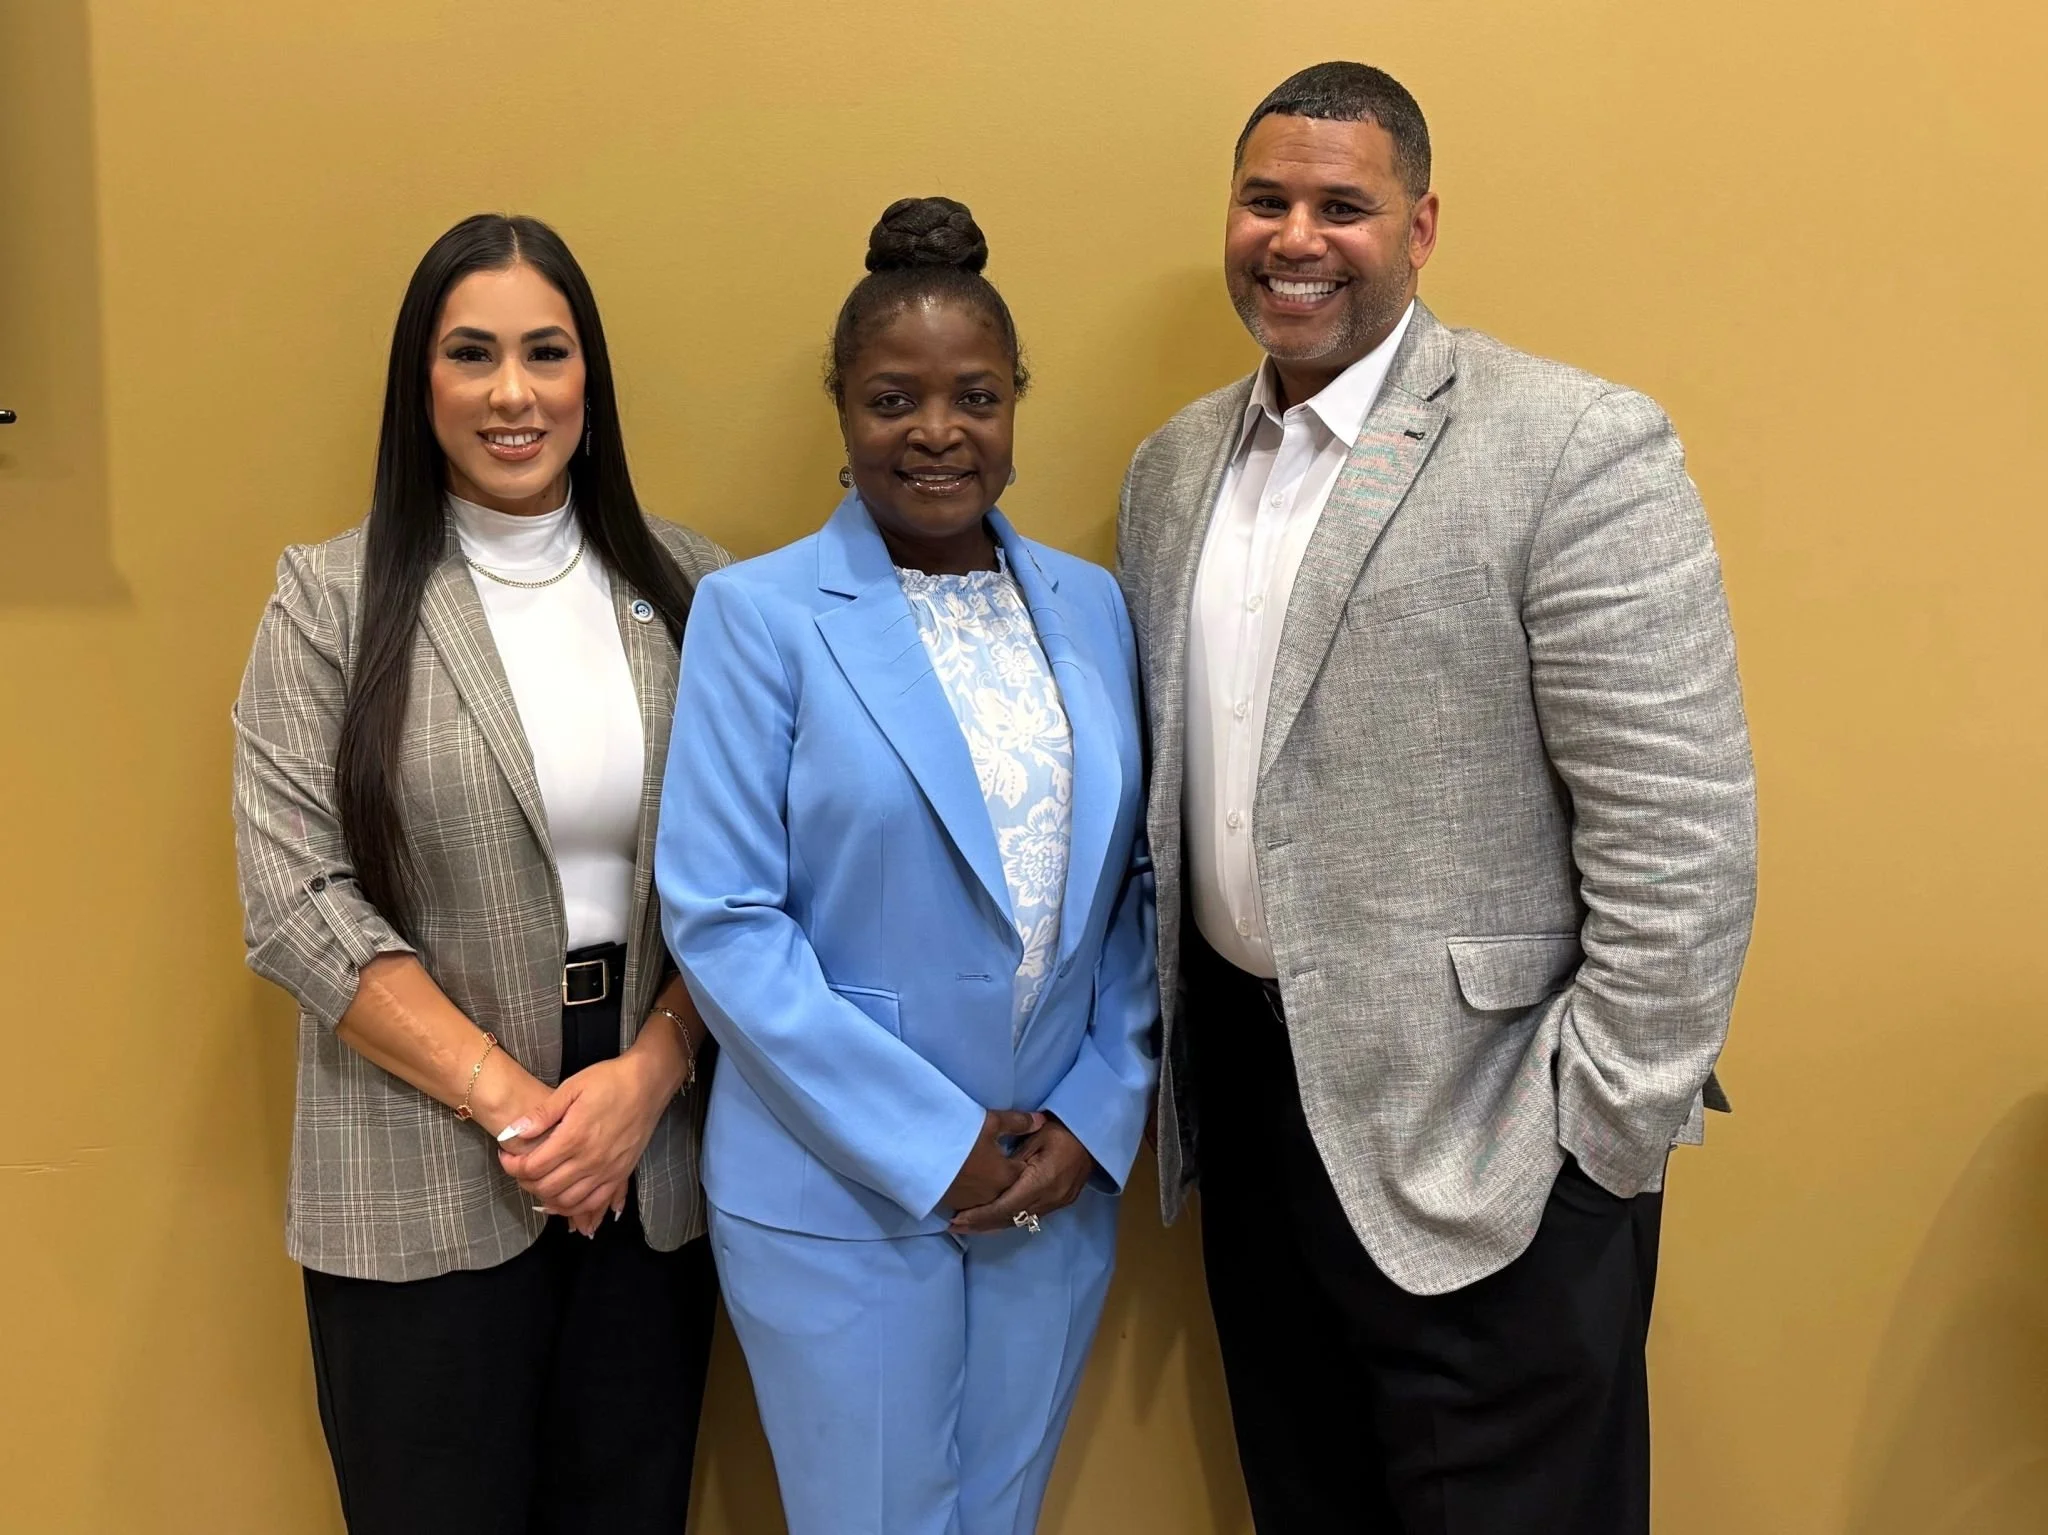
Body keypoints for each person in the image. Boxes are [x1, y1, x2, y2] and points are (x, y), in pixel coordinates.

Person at [1116, 62, 1758, 1534]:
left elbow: (1686, 839)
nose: (1295, 236)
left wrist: (1596, 1148)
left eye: (1342, 205)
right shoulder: (1169, 474)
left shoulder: (1571, 442)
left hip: (1497, 1158)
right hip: (1262, 1140)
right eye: (1265, 199)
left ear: (1420, 227)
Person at [656, 196, 1157, 1535]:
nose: (937, 432)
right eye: (894, 398)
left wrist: (1102, 1113)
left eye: (975, 396)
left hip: (1052, 1190)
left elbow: (1134, 890)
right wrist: (936, 1147)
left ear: (1014, 403)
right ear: (841, 408)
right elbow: (723, 919)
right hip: (842, 1194)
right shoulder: (755, 617)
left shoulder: (1091, 605)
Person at [232, 212, 728, 1533]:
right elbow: (294, 903)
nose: (513, 392)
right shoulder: (327, 598)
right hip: (415, 1180)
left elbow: (757, 884)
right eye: (472, 353)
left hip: (650, 1176)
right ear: (423, 381)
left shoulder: (697, 590)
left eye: (546, 353)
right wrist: (519, 1105)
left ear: (589, 379)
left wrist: (650, 1074)